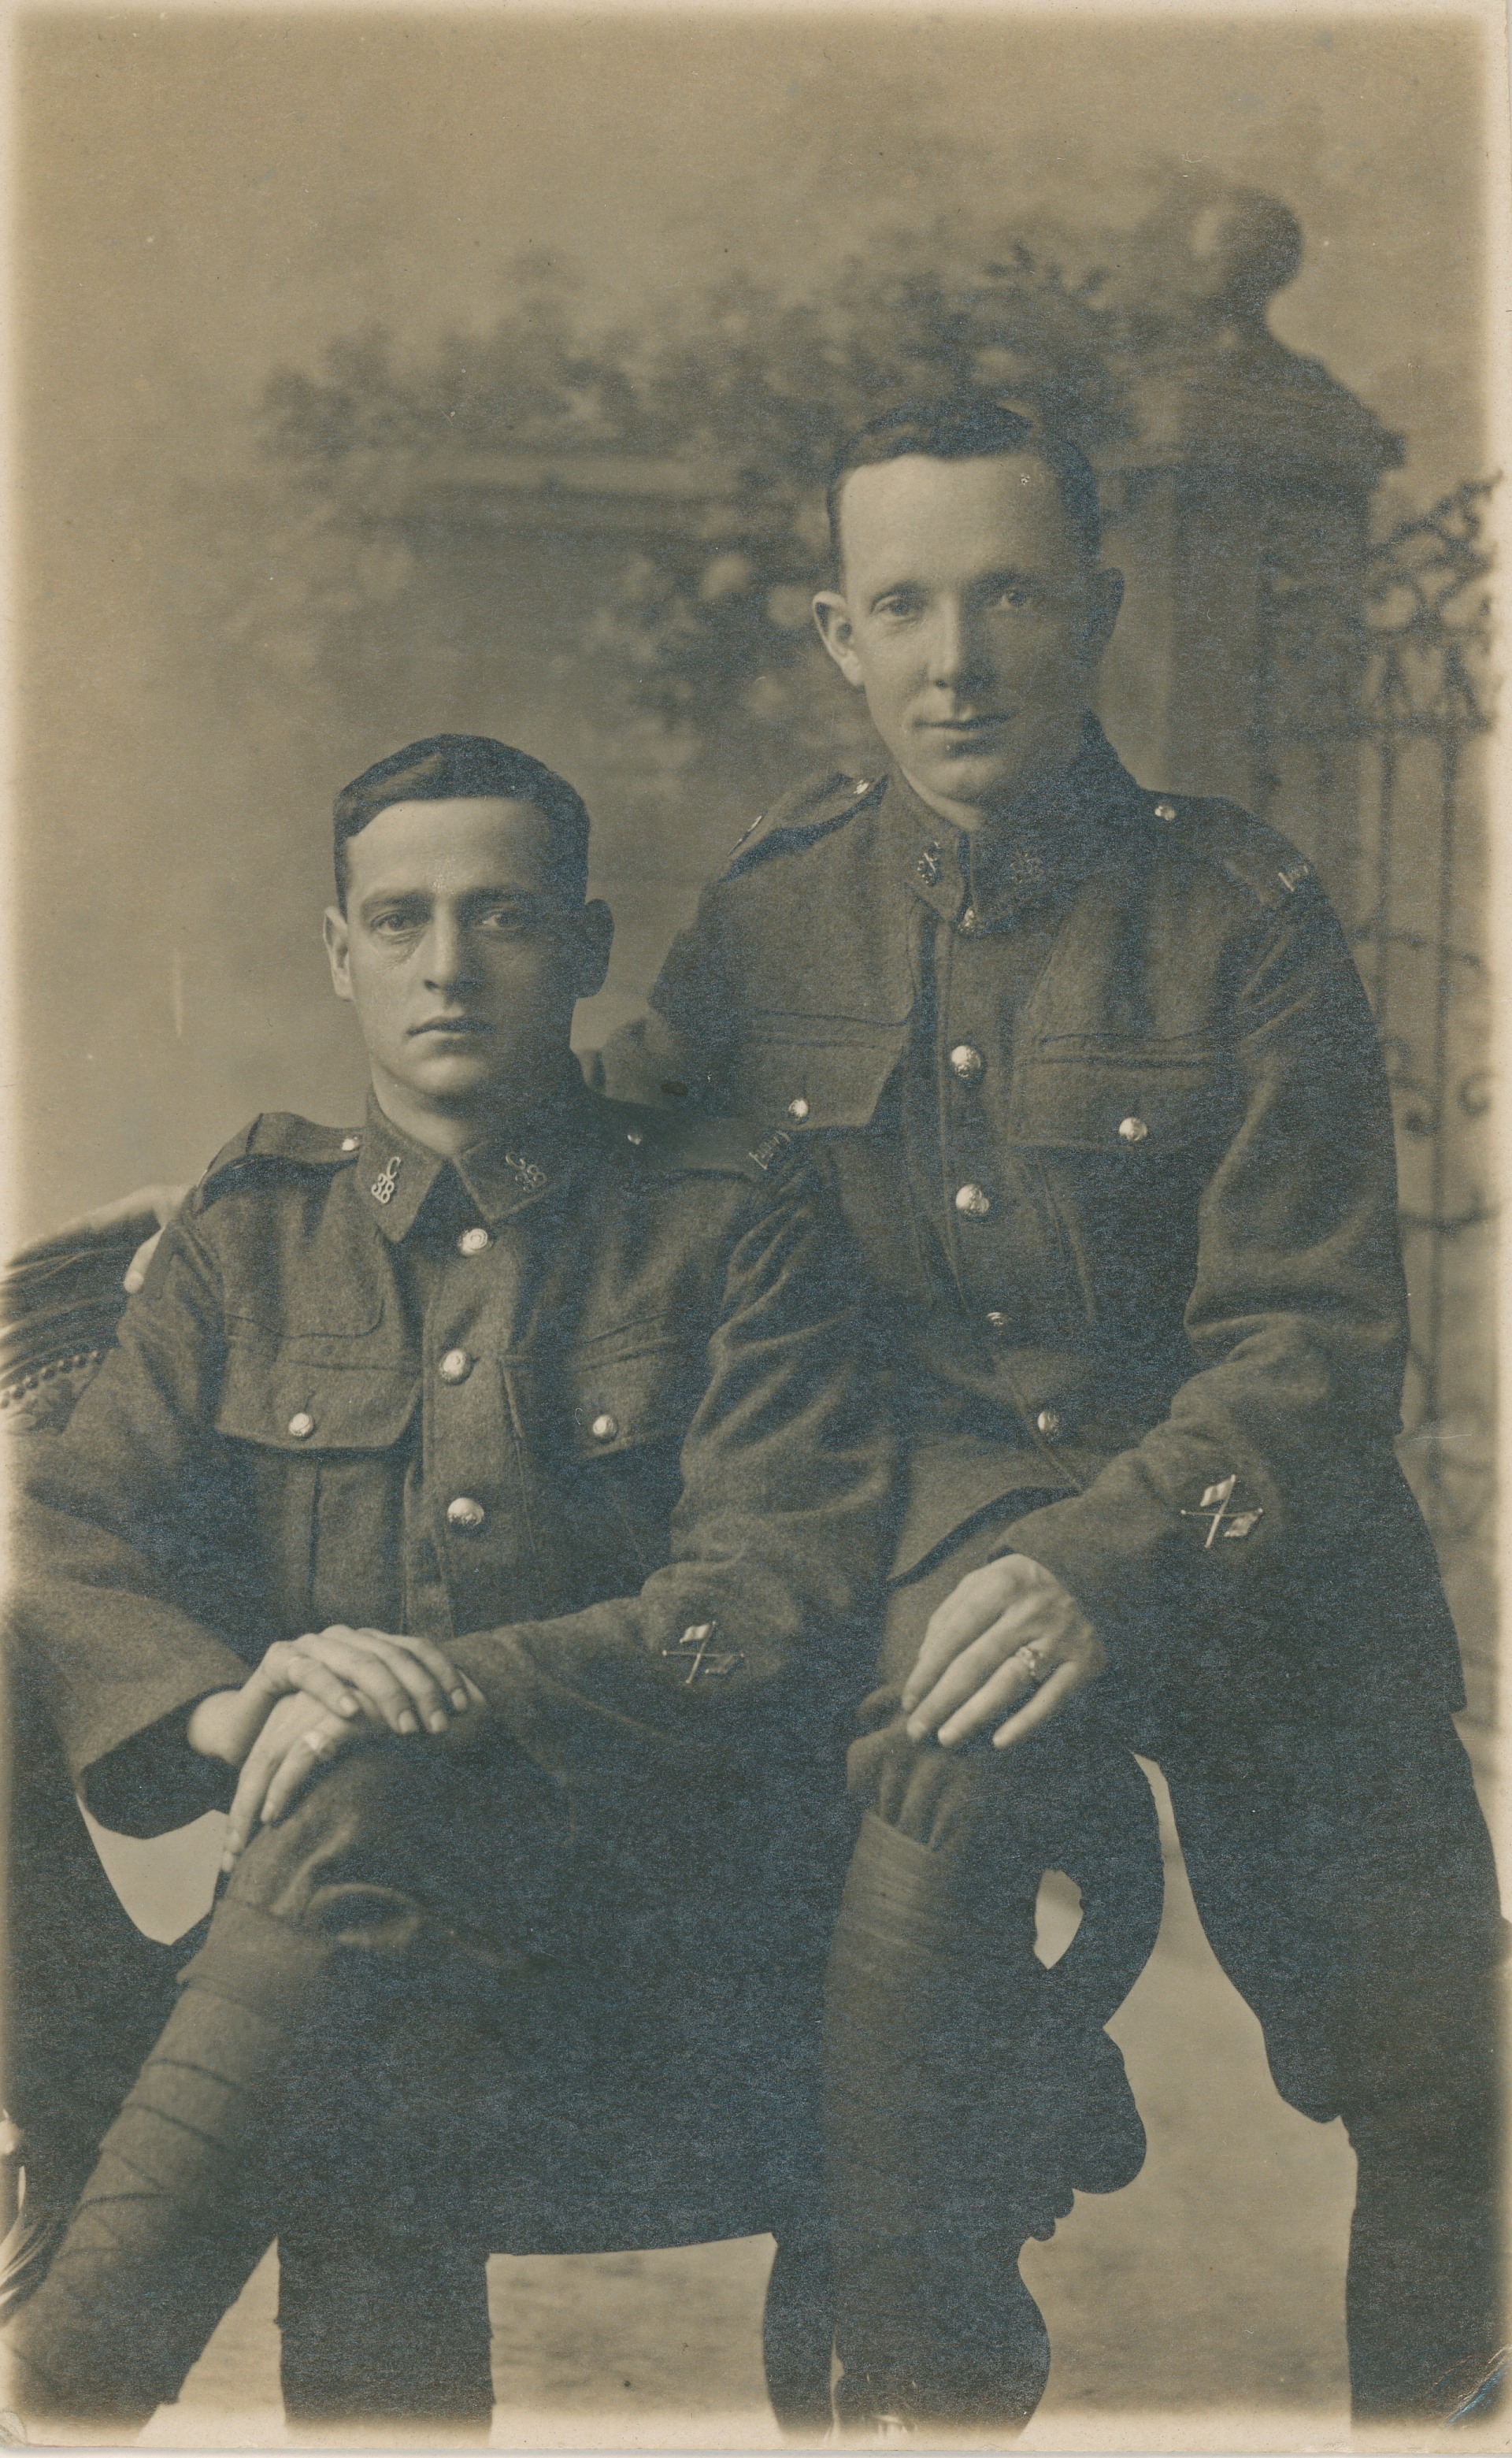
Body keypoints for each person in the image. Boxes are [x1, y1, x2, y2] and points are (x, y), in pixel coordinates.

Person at [583, 395, 1504, 2429]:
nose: (958, 659)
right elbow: (608, 1173)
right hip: (946, 1552)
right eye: (906, 606)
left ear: (1097, 609)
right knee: (918, 1859)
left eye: (1008, 597)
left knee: (1450, 2076)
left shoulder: (1243, 914)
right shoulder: (772, 916)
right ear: (838, 633)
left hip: (1255, 1556)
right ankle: (932, 2371)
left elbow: (1316, 1342)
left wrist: (1111, 1557)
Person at [3, 732, 907, 2437]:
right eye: (400, 919)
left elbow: (772, 1589)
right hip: (334, 1917)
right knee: (340, 1866)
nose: (448, 964)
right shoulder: (249, 1235)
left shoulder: (732, 1217)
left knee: (352, 1824)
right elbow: (56, 1531)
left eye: (503, 916)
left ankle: (53, 2402)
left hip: (664, 1943)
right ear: (339, 953)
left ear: (586, 945)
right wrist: (228, 1709)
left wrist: (451, 1692)